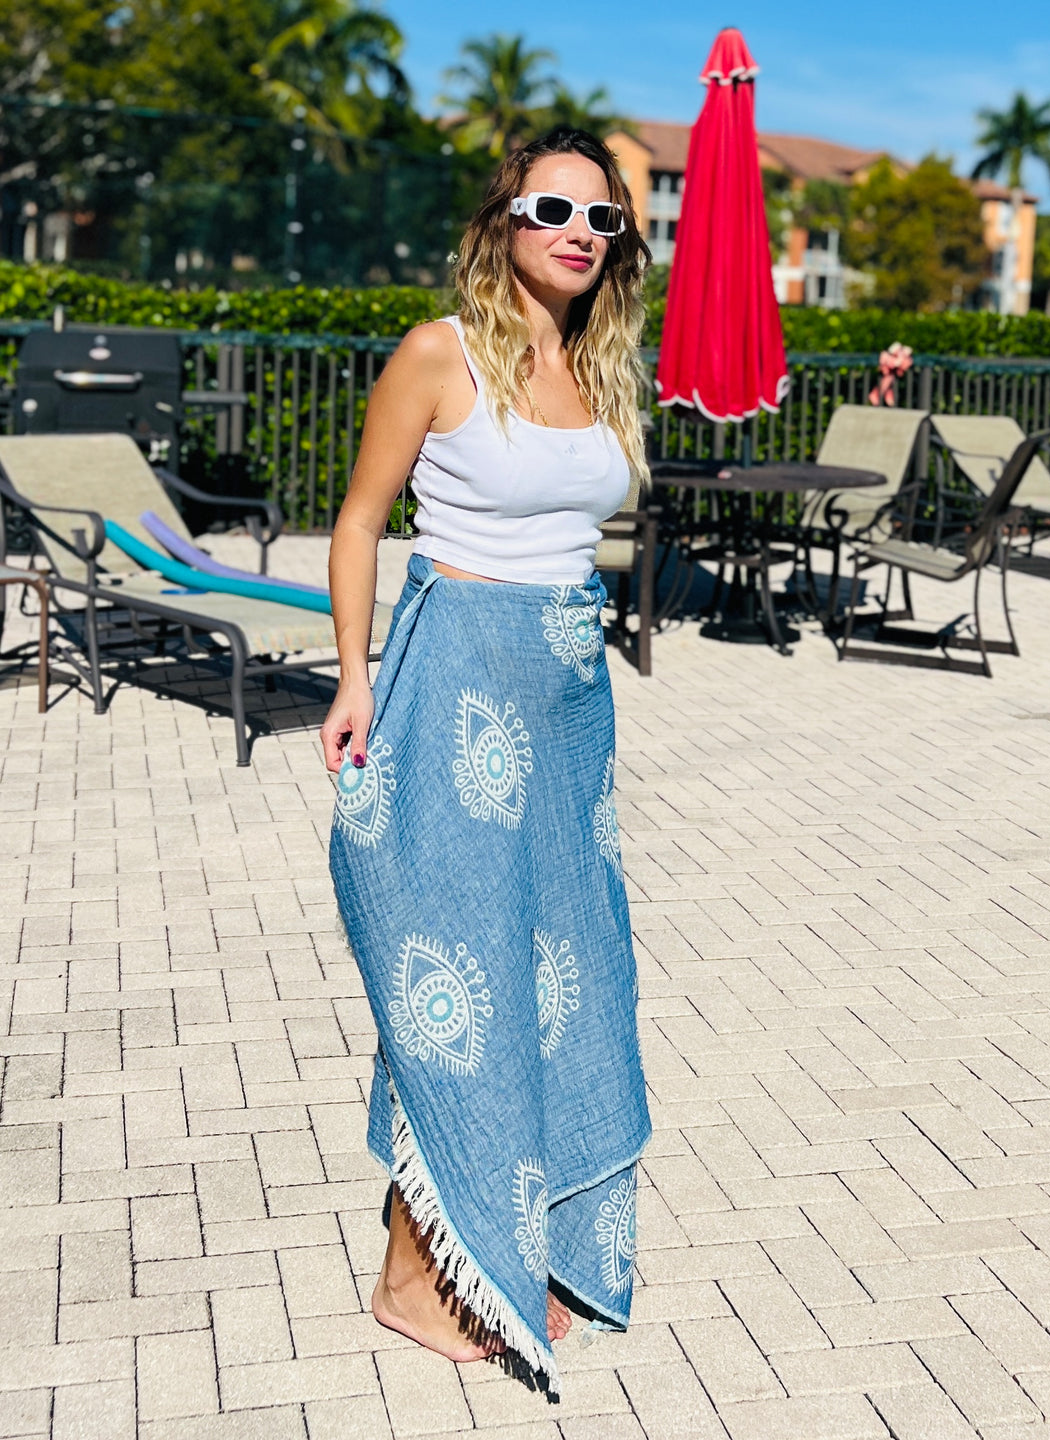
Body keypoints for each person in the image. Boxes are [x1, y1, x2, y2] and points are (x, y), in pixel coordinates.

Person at [320, 126, 652, 1395]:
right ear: (502, 219)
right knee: (453, 978)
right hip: (452, 680)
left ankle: (528, 1237)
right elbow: (360, 521)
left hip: (568, 702)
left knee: (569, 976)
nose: (578, 229)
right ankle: (418, 1276)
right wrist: (355, 678)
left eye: (603, 217)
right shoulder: (438, 355)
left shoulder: (600, 365)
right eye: (553, 206)